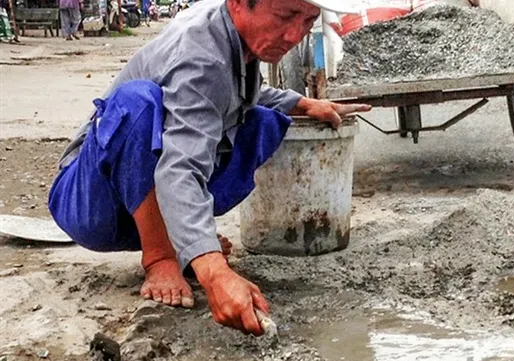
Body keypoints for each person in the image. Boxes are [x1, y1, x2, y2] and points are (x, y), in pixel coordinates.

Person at [48, 0, 369, 336]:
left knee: (262, 122)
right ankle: (160, 256)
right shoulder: (201, 53)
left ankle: (179, 236)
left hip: (137, 198)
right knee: (137, 103)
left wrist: (302, 103)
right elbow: (180, 166)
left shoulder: (233, 35)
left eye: (308, 20)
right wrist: (212, 269)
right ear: (239, 4)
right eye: (286, 16)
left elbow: (232, 93)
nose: (293, 34)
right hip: (91, 203)